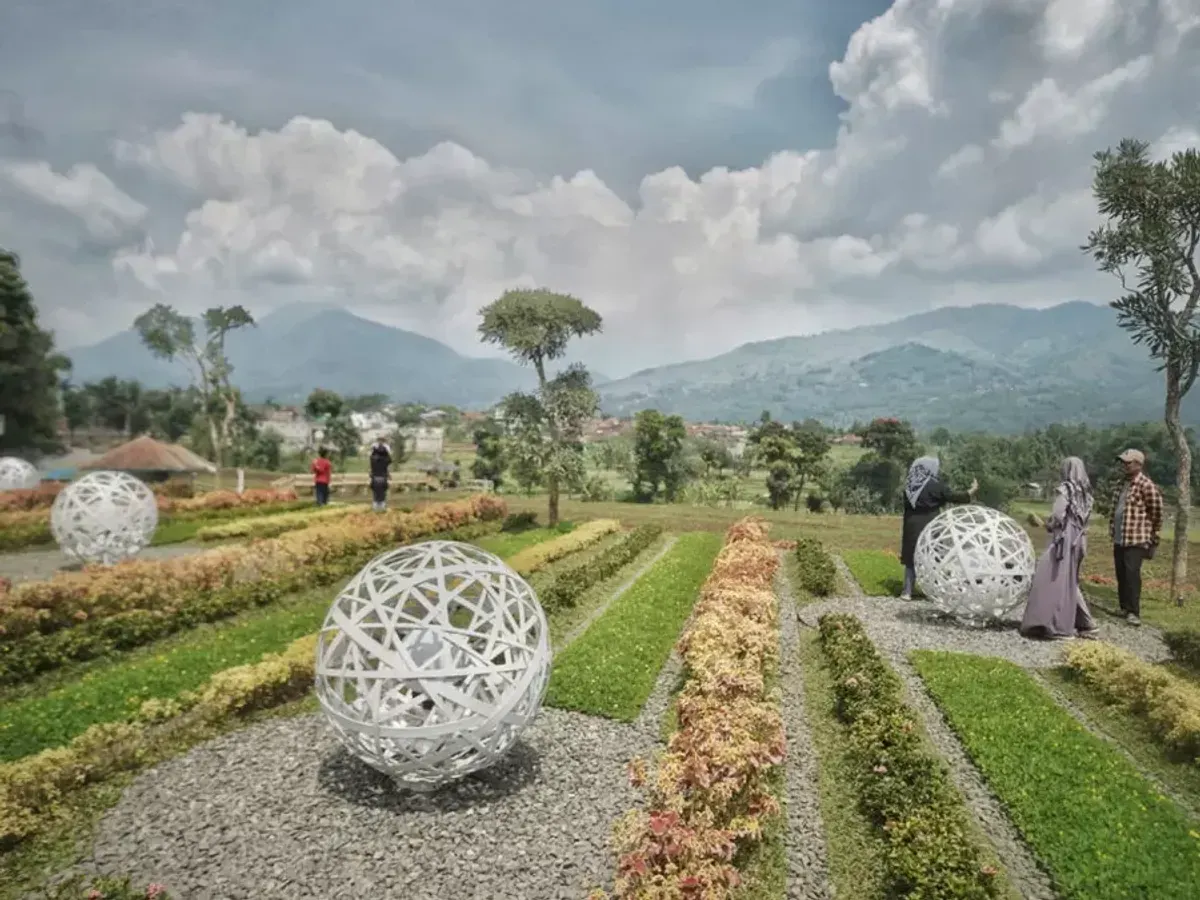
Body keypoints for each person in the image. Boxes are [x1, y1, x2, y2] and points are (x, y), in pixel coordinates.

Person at [1020, 457, 1098, 640]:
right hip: (1080, 540)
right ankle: (1087, 624)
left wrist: (1045, 524)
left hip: (1065, 538)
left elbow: (1058, 515)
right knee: (1069, 580)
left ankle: (1055, 625)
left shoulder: (1066, 489)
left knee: (1049, 576)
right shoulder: (1087, 492)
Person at [900, 456, 978, 600]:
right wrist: (971, 491)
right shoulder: (933, 484)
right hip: (930, 524)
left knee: (911, 557)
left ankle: (907, 591)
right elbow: (951, 496)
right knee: (932, 556)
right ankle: (934, 591)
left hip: (911, 524)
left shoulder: (910, 485)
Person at [1109, 448, 1163, 626]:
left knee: (1132, 574)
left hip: (1136, 538)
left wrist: (1153, 537)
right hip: (1120, 537)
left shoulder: (1146, 485)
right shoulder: (1121, 483)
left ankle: (1134, 612)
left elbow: (1156, 513)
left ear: (1139, 464)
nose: (1125, 465)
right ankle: (1124, 607)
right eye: (1123, 462)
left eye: (1129, 462)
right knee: (1121, 573)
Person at [369, 438, 392, 512]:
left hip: (375, 478)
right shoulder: (385, 459)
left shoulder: (373, 458)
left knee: (375, 496)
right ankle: (382, 508)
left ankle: (376, 508)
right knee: (383, 495)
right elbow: (389, 460)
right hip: (383, 478)